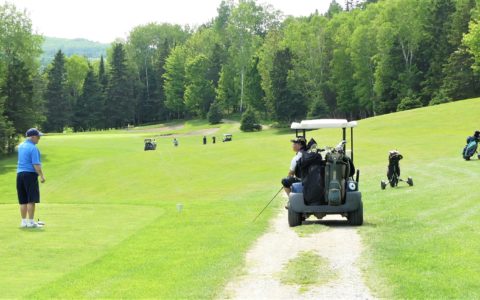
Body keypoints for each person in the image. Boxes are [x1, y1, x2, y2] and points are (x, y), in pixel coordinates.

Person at [17, 128, 46, 228]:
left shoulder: (21, 146)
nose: (39, 139)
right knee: (31, 200)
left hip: (20, 175)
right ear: (33, 137)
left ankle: (24, 222)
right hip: (30, 175)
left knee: (23, 200)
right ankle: (31, 222)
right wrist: (41, 176)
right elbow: (36, 164)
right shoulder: (33, 148)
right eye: (38, 137)